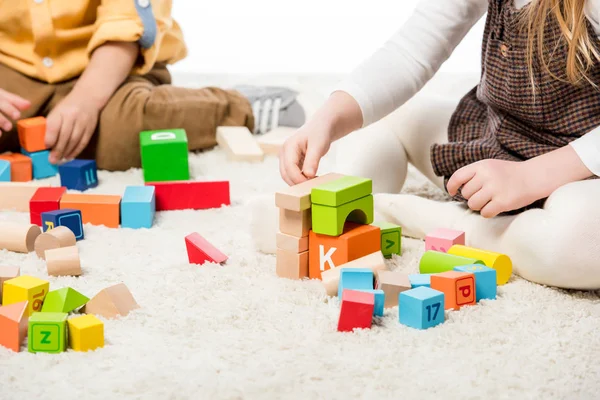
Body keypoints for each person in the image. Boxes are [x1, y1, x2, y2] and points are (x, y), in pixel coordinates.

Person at [274, 0, 600, 289]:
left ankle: (424, 218)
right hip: (498, 142)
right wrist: (328, 118)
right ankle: (350, 216)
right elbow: (410, 51)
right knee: (383, 117)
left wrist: (531, 177)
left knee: (579, 237)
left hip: (580, 174)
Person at [0, 1, 304, 171]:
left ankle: (238, 106)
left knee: (120, 135)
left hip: (111, 63)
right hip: (13, 67)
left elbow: (126, 23)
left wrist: (87, 98)